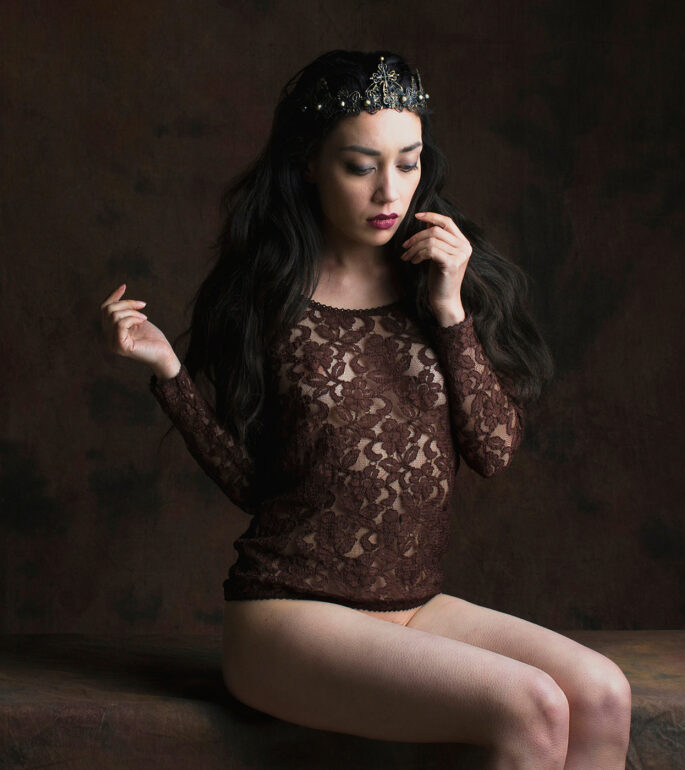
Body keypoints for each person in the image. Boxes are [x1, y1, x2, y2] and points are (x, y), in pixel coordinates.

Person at [100, 49, 631, 769]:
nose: (391, 190)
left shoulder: (439, 280)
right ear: (311, 165)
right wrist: (169, 372)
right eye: (361, 165)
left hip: (413, 606)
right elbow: (256, 486)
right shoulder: (265, 297)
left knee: (601, 693)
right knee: (531, 706)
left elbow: (494, 450)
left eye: (408, 163)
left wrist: (449, 314)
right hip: (288, 614)